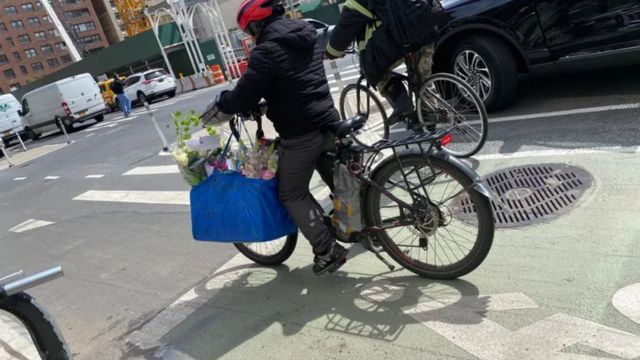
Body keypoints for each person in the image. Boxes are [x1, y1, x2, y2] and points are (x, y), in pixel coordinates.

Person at [201, 0, 348, 275]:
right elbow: (294, 80)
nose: (250, 37)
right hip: (329, 120)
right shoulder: (305, 33)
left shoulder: (265, 51)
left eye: (249, 31)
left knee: (291, 192)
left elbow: (244, 93)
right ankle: (360, 228)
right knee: (343, 178)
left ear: (257, 24)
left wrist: (224, 104)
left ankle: (327, 250)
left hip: (301, 132)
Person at [325, 0, 441, 125]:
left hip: (402, 38)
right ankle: (431, 113)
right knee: (422, 78)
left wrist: (331, 53)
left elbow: (343, 31)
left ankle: (402, 104)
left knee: (374, 70)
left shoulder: (356, 2)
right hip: (426, 29)